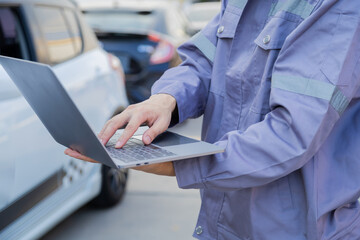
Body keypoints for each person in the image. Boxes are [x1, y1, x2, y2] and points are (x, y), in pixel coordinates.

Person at [65, 0, 360, 238]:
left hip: (300, 230)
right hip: (224, 221)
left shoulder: (337, 7)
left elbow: (290, 133)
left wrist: (178, 164)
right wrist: (166, 99)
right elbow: (204, 60)